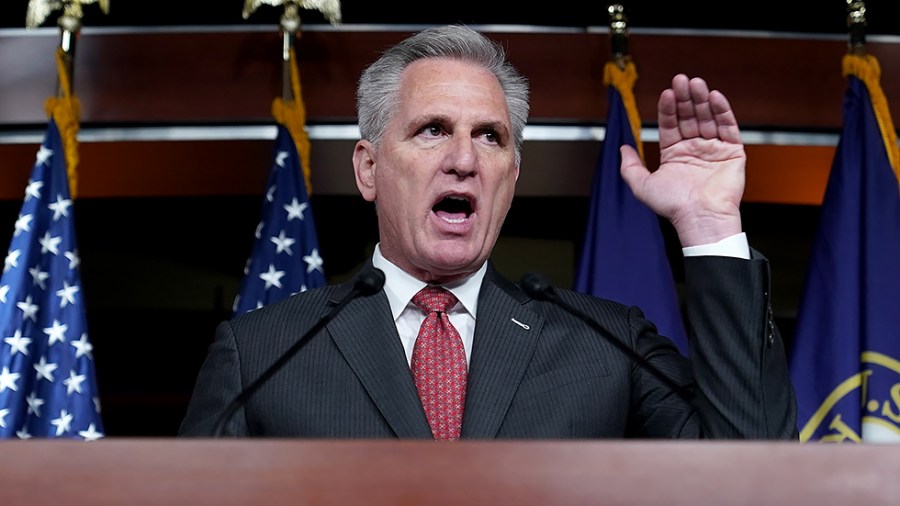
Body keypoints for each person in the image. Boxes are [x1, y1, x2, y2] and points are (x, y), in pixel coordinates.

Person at [179, 24, 798, 439]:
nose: (464, 160)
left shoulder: (607, 347)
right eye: (432, 130)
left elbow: (755, 469)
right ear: (368, 168)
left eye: (490, 136)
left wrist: (709, 225)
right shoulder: (261, 355)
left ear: (513, 175)